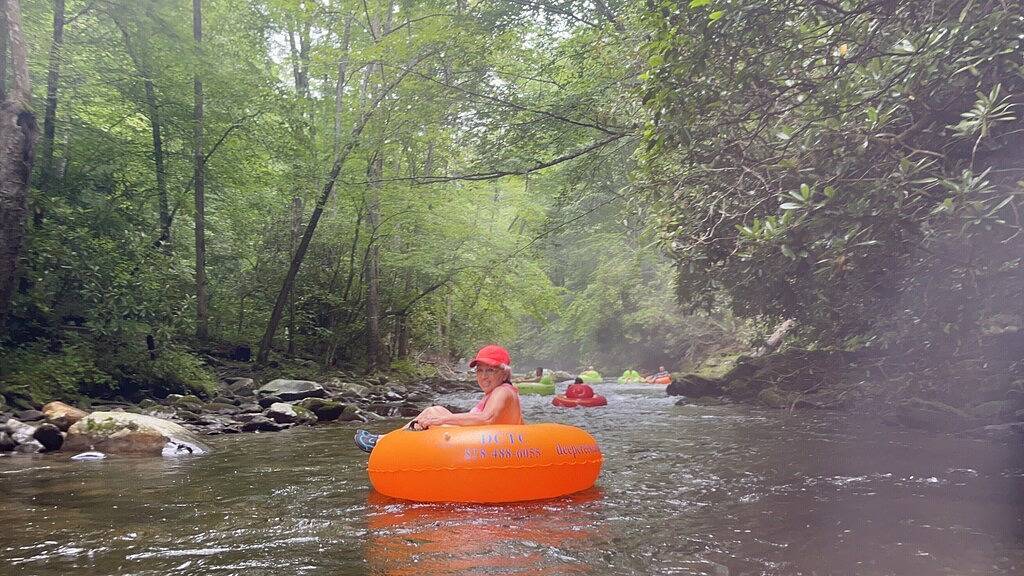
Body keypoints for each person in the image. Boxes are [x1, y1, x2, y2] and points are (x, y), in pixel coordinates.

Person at [354, 344, 524, 453]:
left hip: (490, 448)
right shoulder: (503, 391)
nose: (483, 376)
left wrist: (440, 419)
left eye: (490, 370)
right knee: (432, 412)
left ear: (504, 373)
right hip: (488, 444)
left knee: (434, 412)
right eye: (480, 370)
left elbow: (487, 418)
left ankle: (383, 442)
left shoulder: (502, 391)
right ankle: (386, 441)